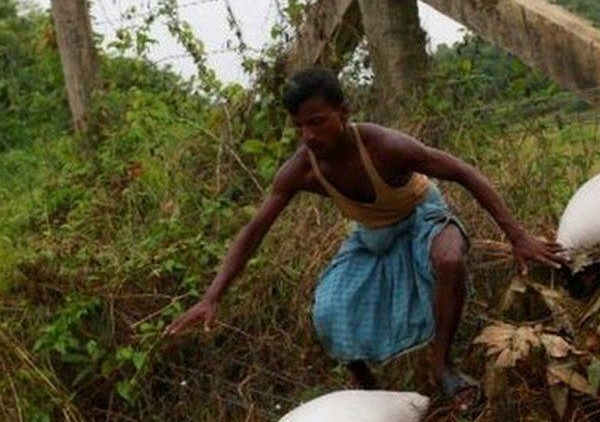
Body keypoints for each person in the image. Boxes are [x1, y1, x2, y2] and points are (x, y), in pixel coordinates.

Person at [163, 68, 565, 404]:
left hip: (422, 214)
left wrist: (518, 236)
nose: (308, 135)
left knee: (448, 260)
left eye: (317, 121)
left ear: (343, 112)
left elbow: (462, 172)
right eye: (299, 125)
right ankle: (370, 392)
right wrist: (211, 296)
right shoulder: (301, 171)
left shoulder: (385, 147)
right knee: (327, 312)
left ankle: (441, 365)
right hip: (372, 235)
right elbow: (254, 232)